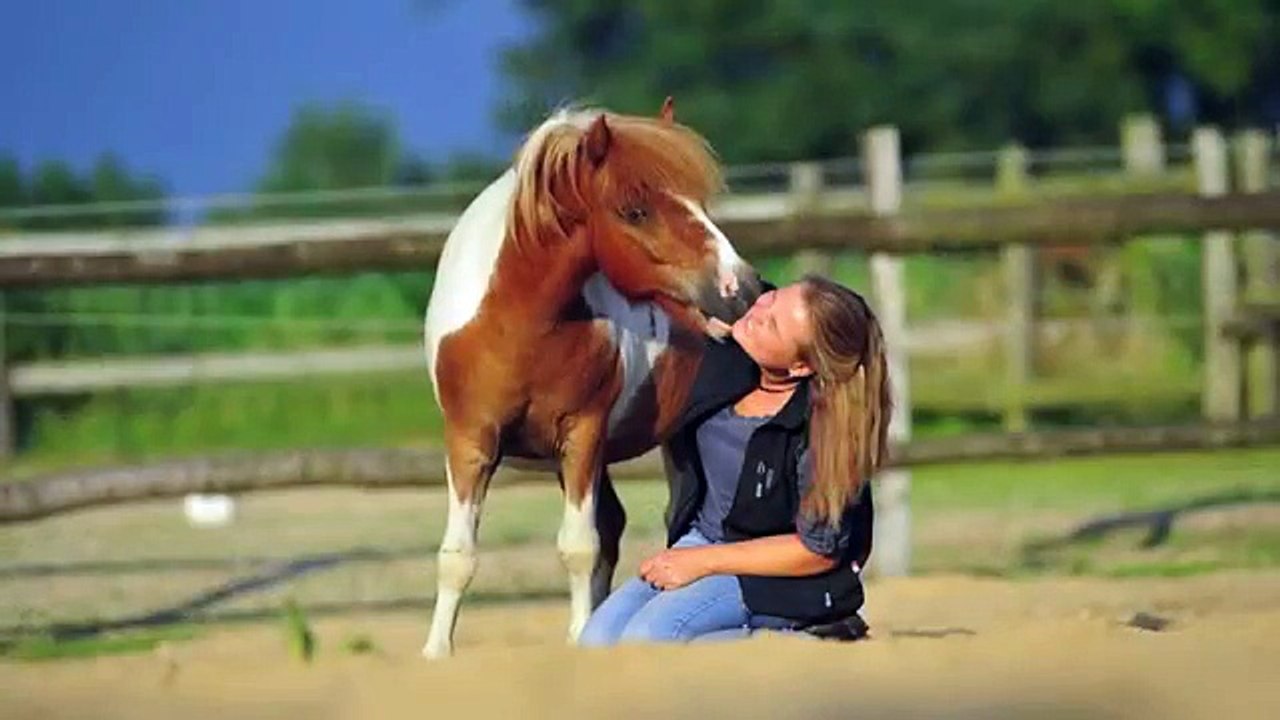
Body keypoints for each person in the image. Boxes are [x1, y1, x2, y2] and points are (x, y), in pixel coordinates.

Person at [579, 274, 892, 646]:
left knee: (649, 638)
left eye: (772, 324)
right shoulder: (729, 360)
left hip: (778, 574)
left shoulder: (823, 432)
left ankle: (810, 634)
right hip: (703, 542)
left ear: (799, 368)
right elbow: (703, 273)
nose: (759, 311)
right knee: (596, 640)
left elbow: (818, 552)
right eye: (772, 298)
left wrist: (701, 563)